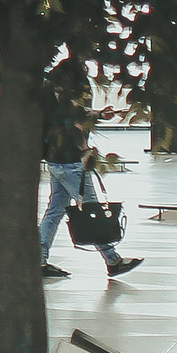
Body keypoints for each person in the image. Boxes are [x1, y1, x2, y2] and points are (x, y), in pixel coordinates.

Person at [40, 77, 143, 280]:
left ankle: (39, 260)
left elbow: (81, 115)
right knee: (91, 210)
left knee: (54, 211)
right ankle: (113, 260)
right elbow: (78, 122)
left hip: (55, 162)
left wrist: (100, 114)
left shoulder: (51, 101)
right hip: (72, 164)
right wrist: (86, 151)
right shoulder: (71, 101)